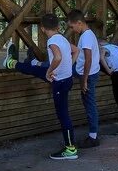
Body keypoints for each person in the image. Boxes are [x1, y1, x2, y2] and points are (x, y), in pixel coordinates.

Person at [4, 13, 78, 160]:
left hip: (59, 82)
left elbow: (57, 57)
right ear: (57, 26)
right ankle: (12, 63)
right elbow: (76, 50)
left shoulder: (52, 41)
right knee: (36, 70)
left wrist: (50, 71)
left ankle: (71, 149)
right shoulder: (62, 38)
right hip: (66, 78)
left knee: (63, 115)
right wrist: (68, 66)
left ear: (42, 28)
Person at [66, 10, 101, 148]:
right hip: (84, 71)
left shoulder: (86, 37)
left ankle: (93, 137)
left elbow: (88, 59)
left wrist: (84, 80)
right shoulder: (88, 34)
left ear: (79, 23)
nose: (72, 30)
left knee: (89, 104)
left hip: (87, 74)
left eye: (72, 27)